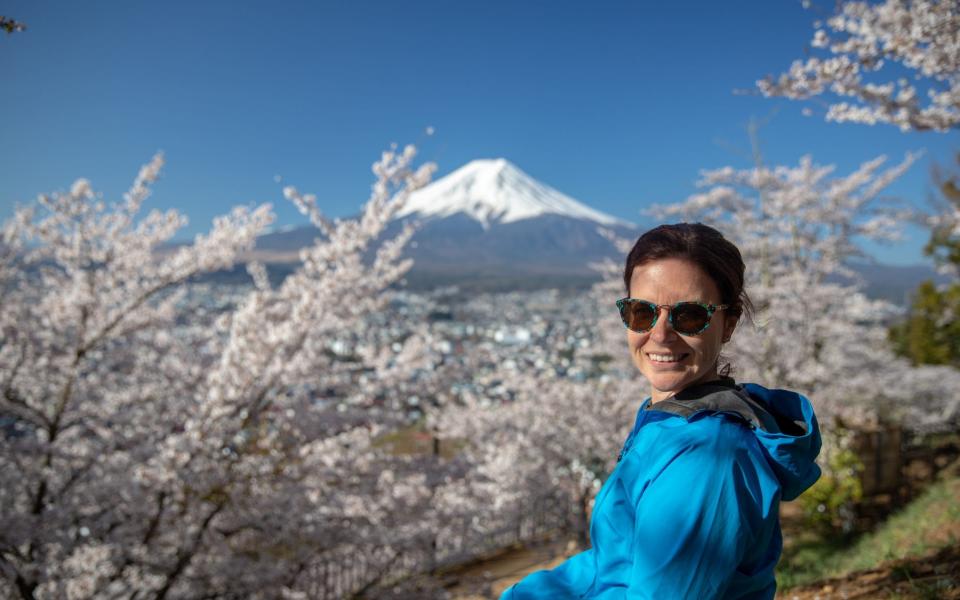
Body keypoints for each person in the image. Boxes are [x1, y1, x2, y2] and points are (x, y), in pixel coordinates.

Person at [501, 223, 821, 600]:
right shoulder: (671, 420)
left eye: (689, 316)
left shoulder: (711, 457)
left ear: (728, 324)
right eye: (641, 312)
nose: (661, 333)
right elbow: (615, 562)